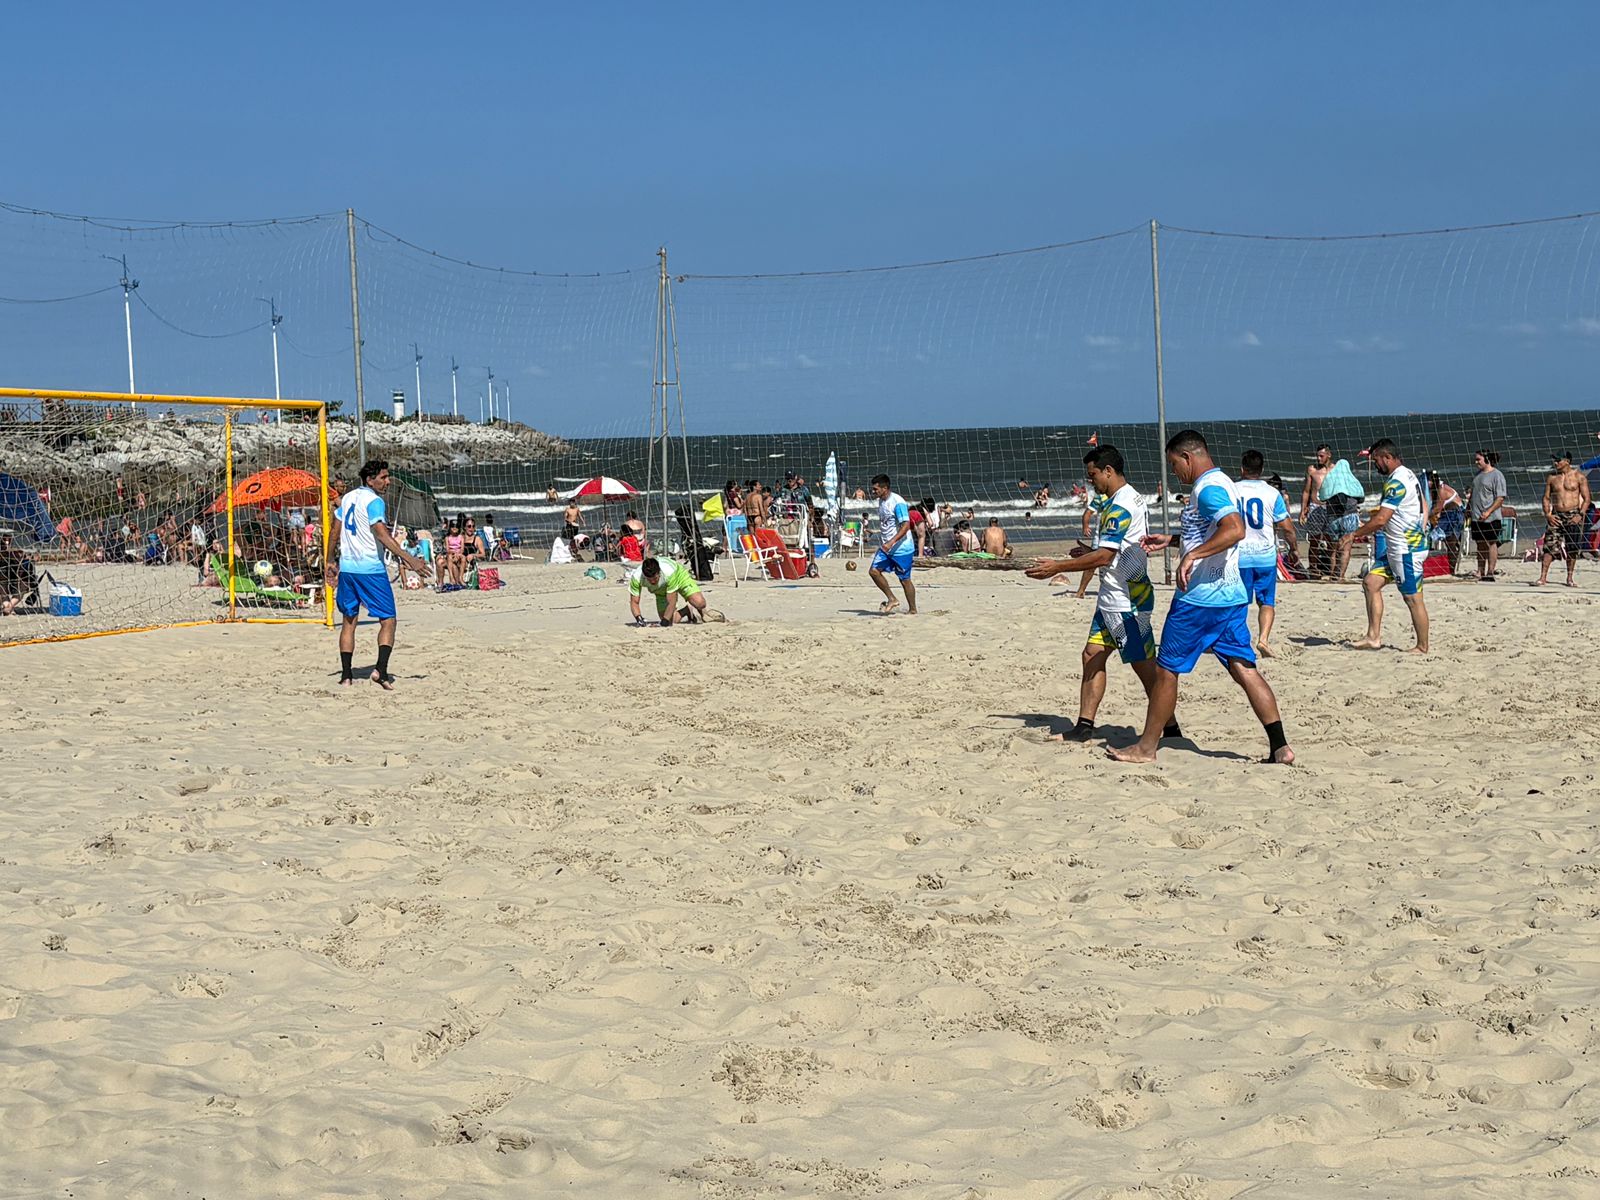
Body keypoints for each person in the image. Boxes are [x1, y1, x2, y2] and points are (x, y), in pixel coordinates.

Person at [1109, 430, 1294, 765]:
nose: (1174, 472)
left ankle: (1146, 748)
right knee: (1244, 668)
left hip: (1200, 600)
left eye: (1174, 464)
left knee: (1166, 671)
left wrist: (1192, 557)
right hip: (1232, 596)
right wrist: (1175, 540)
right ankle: (1280, 746)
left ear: (1188, 458)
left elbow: (1234, 529)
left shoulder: (1207, 488)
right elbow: (1212, 533)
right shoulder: (1223, 482)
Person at [1025, 445, 1180, 744]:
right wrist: (1086, 552)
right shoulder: (1121, 498)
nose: (1090, 481)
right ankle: (1084, 725)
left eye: (1093, 475)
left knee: (1145, 668)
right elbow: (1115, 548)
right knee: (1092, 655)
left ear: (1108, 471)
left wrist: (1059, 566)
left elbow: (1105, 557)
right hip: (1113, 597)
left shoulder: (1120, 505)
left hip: (1126, 601)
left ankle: (1171, 728)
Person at [328, 460, 429, 690]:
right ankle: (380, 671)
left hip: (348, 569)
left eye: (388, 477)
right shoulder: (375, 501)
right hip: (370, 570)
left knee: (348, 622)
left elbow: (335, 531)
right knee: (388, 620)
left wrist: (329, 560)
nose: (388, 481)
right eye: (383, 477)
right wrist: (409, 558)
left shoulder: (348, 498)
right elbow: (381, 533)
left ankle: (346, 676)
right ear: (369, 480)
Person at [1350, 439, 1430, 653]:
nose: (1375, 465)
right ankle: (1373, 637)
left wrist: (1355, 535)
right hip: (1397, 547)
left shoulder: (1396, 482)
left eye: (1375, 460)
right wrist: (1422, 523)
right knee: (1370, 583)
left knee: (1413, 598)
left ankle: (1422, 647)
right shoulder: (1409, 474)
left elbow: (1381, 519)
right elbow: (1423, 503)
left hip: (1407, 549)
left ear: (1387, 457)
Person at [1236, 450, 1299, 657]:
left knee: (1238, 602)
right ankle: (1263, 639)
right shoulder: (1273, 493)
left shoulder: (1232, 490)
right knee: (1266, 601)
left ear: (1242, 469)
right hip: (1264, 556)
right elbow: (1287, 527)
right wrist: (1294, 549)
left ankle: (1239, 641)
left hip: (1240, 555)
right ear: (1261, 470)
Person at [1536, 450, 1591, 587]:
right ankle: (1543, 577)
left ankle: (1569, 578)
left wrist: (1580, 514)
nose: (1555, 463)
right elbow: (1546, 498)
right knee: (1549, 546)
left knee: (1572, 547)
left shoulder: (1579, 477)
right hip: (1556, 515)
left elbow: (1587, 498)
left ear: (1567, 461)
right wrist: (1548, 514)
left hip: (1574, 515)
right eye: (1554, 460)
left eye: (1558, 460)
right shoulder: (1552, 478)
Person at [868, 473, 917, 615]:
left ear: (885, 488)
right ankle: (892, 598)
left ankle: (913, 609)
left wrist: (891, 542)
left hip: (902, 548)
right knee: (873, 571)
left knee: (905, 580)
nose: (873, 492)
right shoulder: (881, 500)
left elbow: (906, 526)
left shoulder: (898, 502)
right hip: (886, 548)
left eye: (876, 489)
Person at [628, 555, 709, 625]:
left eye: (655, 578)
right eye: (649, 579)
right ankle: (686, 610)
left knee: (700, 603)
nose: (653, 582)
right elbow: (634, 601)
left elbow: (672, 602)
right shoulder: (636, 577)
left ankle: (702, 611)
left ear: (659, 572)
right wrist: (638, 618)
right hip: (660, 590)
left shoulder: (668, 572)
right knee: (670, 620)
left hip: (679, 576)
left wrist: (665, 621)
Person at [1468, 449, 1508, 581]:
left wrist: (1488, 511)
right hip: (1476, 516)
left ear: (1487, 459)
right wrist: (1468, 510)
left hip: (1491, 517)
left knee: (1491, 543)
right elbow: (1473, 495)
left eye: (1478, 459)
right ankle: (1480, 571)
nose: (1476, 462)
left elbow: (1500, 498)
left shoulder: (1497, 475)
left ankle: (1490, 571)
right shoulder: (1477, 475)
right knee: (1480, 544)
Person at [1426, 471, 1465, 572]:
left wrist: (1423, 516)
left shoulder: (1441, 489)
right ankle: (1446, 566)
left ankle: (1452, 569)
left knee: (1450, 542)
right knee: (1442, 539)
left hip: (1454, 513)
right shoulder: (1431, 490)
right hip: (1447, 514)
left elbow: (1437, 509)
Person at [1075, 489, 1104, 599]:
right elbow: (1087, 512)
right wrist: (1085, 526)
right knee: (1091, 564)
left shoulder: (1122, 495)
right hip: (1100, 537)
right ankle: (1081, 590)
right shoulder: (1101, 496)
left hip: (1117, 535)